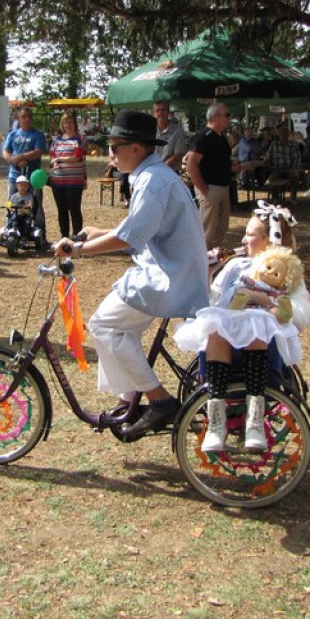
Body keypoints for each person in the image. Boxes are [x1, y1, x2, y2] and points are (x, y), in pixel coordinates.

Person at [54, 109, 209, 436]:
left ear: (136, 148)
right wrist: (98, 231)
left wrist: (78, 250)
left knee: (102, 325)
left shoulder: (152, 182)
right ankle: (130, 400)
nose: (109, 153)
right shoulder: (153, 176)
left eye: (114, 145)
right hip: (173, 273)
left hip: (169, 278)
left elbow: (128, 237)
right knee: (119, 331)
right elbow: (140, 227)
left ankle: (159, 400)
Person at [174, 205, 310, 451]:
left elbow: (301, 314)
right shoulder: (234, 267)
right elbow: (210, 305)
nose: (243, 239)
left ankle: (255, 421)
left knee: (256, 325)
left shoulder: (285, 272)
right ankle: (217, 424)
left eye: (250, 234)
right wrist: (208, 272)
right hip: (223, 345)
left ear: (269, 239)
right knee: (215, 324)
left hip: (263, 348)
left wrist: (267, 304)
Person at [185, 103, 238, 249]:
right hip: (211, 188)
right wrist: (204, 190)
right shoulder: (204, 137)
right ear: (215, 117)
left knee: (221, 229)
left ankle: (213, 260)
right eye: (227, 115)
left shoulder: (221, 137)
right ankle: (201, 264)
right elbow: (191, 165)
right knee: (206, 231)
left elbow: (218, 159)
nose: (230, 118)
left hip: (223, 187)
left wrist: (232, 165)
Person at [48, 110, 87, 238]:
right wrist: (54, 163)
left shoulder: (81, 138)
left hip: (74, 182)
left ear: (75, 123)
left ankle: (77, 237)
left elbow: (76, 158)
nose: (67, 125)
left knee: (74, 211)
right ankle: (64, 237)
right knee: (62, 211)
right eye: (65, 122)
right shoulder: (57, 139)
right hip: (57, 181)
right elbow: (52, 155)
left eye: (70, 122)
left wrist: (60, 159)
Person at [263, 123, 302, 200]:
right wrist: (267, 160)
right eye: (282, 134)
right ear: (279, 135)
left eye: (285, 134)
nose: (283, 136)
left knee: (295, 177)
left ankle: (293, 198)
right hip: (277, 168)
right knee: (271, 180)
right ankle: (275, 198)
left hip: (289, 168)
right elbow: (268, 155)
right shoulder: (274, 144)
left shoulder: (293, 145)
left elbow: (297, 158)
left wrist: (293, 168)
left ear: (288, 135)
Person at [154, 100, 188, 172]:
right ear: (154, 113)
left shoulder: (178, 131)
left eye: (163, 110)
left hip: (171, 173)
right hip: (153, 171)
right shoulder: (150, 130)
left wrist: (161, 169)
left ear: (168, 112)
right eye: (157, 110)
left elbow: (178, 155)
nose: (160, 113)